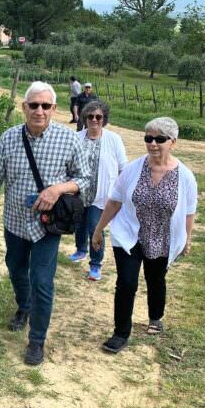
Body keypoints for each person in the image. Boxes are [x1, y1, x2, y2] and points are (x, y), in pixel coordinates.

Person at [0, 81, 90, 366]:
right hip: (14, 222)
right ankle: (23, 308)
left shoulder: (69, 140)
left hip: (46, 227)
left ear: (54, 109)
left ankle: (36, 340)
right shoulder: (9, 138)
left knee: (41, 281)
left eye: (45, 106)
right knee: (15, 268)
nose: (39, 111)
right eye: (34, 105)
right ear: (24, 107)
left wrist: (57, 189)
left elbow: (85, 180)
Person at [92, 117, 197, 353]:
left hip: (163, 237)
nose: (152, 143)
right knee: (126, 283)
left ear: (173, 142)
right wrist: (98, 230)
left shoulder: (185, 177)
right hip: (130, 234)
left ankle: (155, 317)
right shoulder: (132, 169)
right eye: (148, 138)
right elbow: (114, 201)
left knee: (156, 279)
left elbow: (189, 212)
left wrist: (187, 239)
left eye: (159, 139)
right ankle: (120, 333)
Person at [68, 100, 128, 282]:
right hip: (79, 193)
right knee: (79, 223)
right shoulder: (76, 138)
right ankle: (80, 250)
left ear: (104, 119)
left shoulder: (113, 139)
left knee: (95, 227)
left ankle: (95, 264)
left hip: (101, 195)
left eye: (98, 117)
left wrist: (121, 192)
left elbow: (122, 166)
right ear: (85, 118)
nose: (94, 120)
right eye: (90, 116)